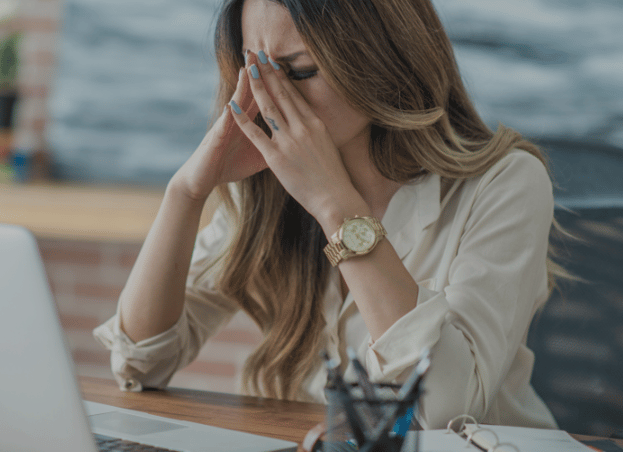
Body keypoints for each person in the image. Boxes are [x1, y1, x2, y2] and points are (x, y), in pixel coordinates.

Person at [94, 0, 560, 430]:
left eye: (299, 72)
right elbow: (140, 364)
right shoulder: (268, 188)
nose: (271, 98)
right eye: (256, 69)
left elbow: (442, 409)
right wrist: (187, 191)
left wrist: (334, 206)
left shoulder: (507, 183)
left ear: (382, 58)